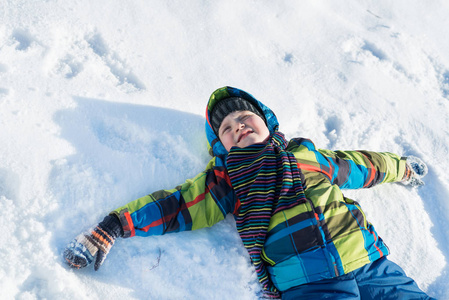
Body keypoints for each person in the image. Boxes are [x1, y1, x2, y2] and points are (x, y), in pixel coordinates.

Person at [64, 86, 431, 299]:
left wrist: (402, 168)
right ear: (221, 145)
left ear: (266, 121)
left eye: (244, 118)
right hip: (308, 282)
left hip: (370, 262)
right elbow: (177, 206)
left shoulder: (306, 156)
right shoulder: (226, 179)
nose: (237, 126)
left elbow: (362, 166)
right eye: (225, 127)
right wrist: (114, 225)